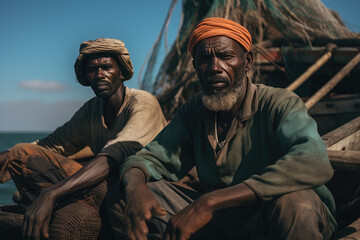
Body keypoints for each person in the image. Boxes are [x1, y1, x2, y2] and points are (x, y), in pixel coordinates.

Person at [107, 18, 336, 240]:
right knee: (127, 194)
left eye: (226, 57)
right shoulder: (194, 110)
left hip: (272, 215)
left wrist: (210, 202)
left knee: (296, 203)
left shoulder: (279, 103)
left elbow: (313, 161)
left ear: (247, 62)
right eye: (205, 59)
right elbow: (149, 159)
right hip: (223, 221)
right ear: (196, 67)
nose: (215, 67)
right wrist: (136, 187)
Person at [0, 38, 167, 240]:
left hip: (135, 192)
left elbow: (113, 156)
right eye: (92, 70)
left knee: (67, 224)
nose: (99, 75)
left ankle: (53, 204)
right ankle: (61, 204)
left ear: (122, 72)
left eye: (106, 67)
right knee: (20, 154)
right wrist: (7, 157)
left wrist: (51, 193)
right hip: (98, 190)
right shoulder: (91, 110)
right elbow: (52, 145)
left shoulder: (143, 102)